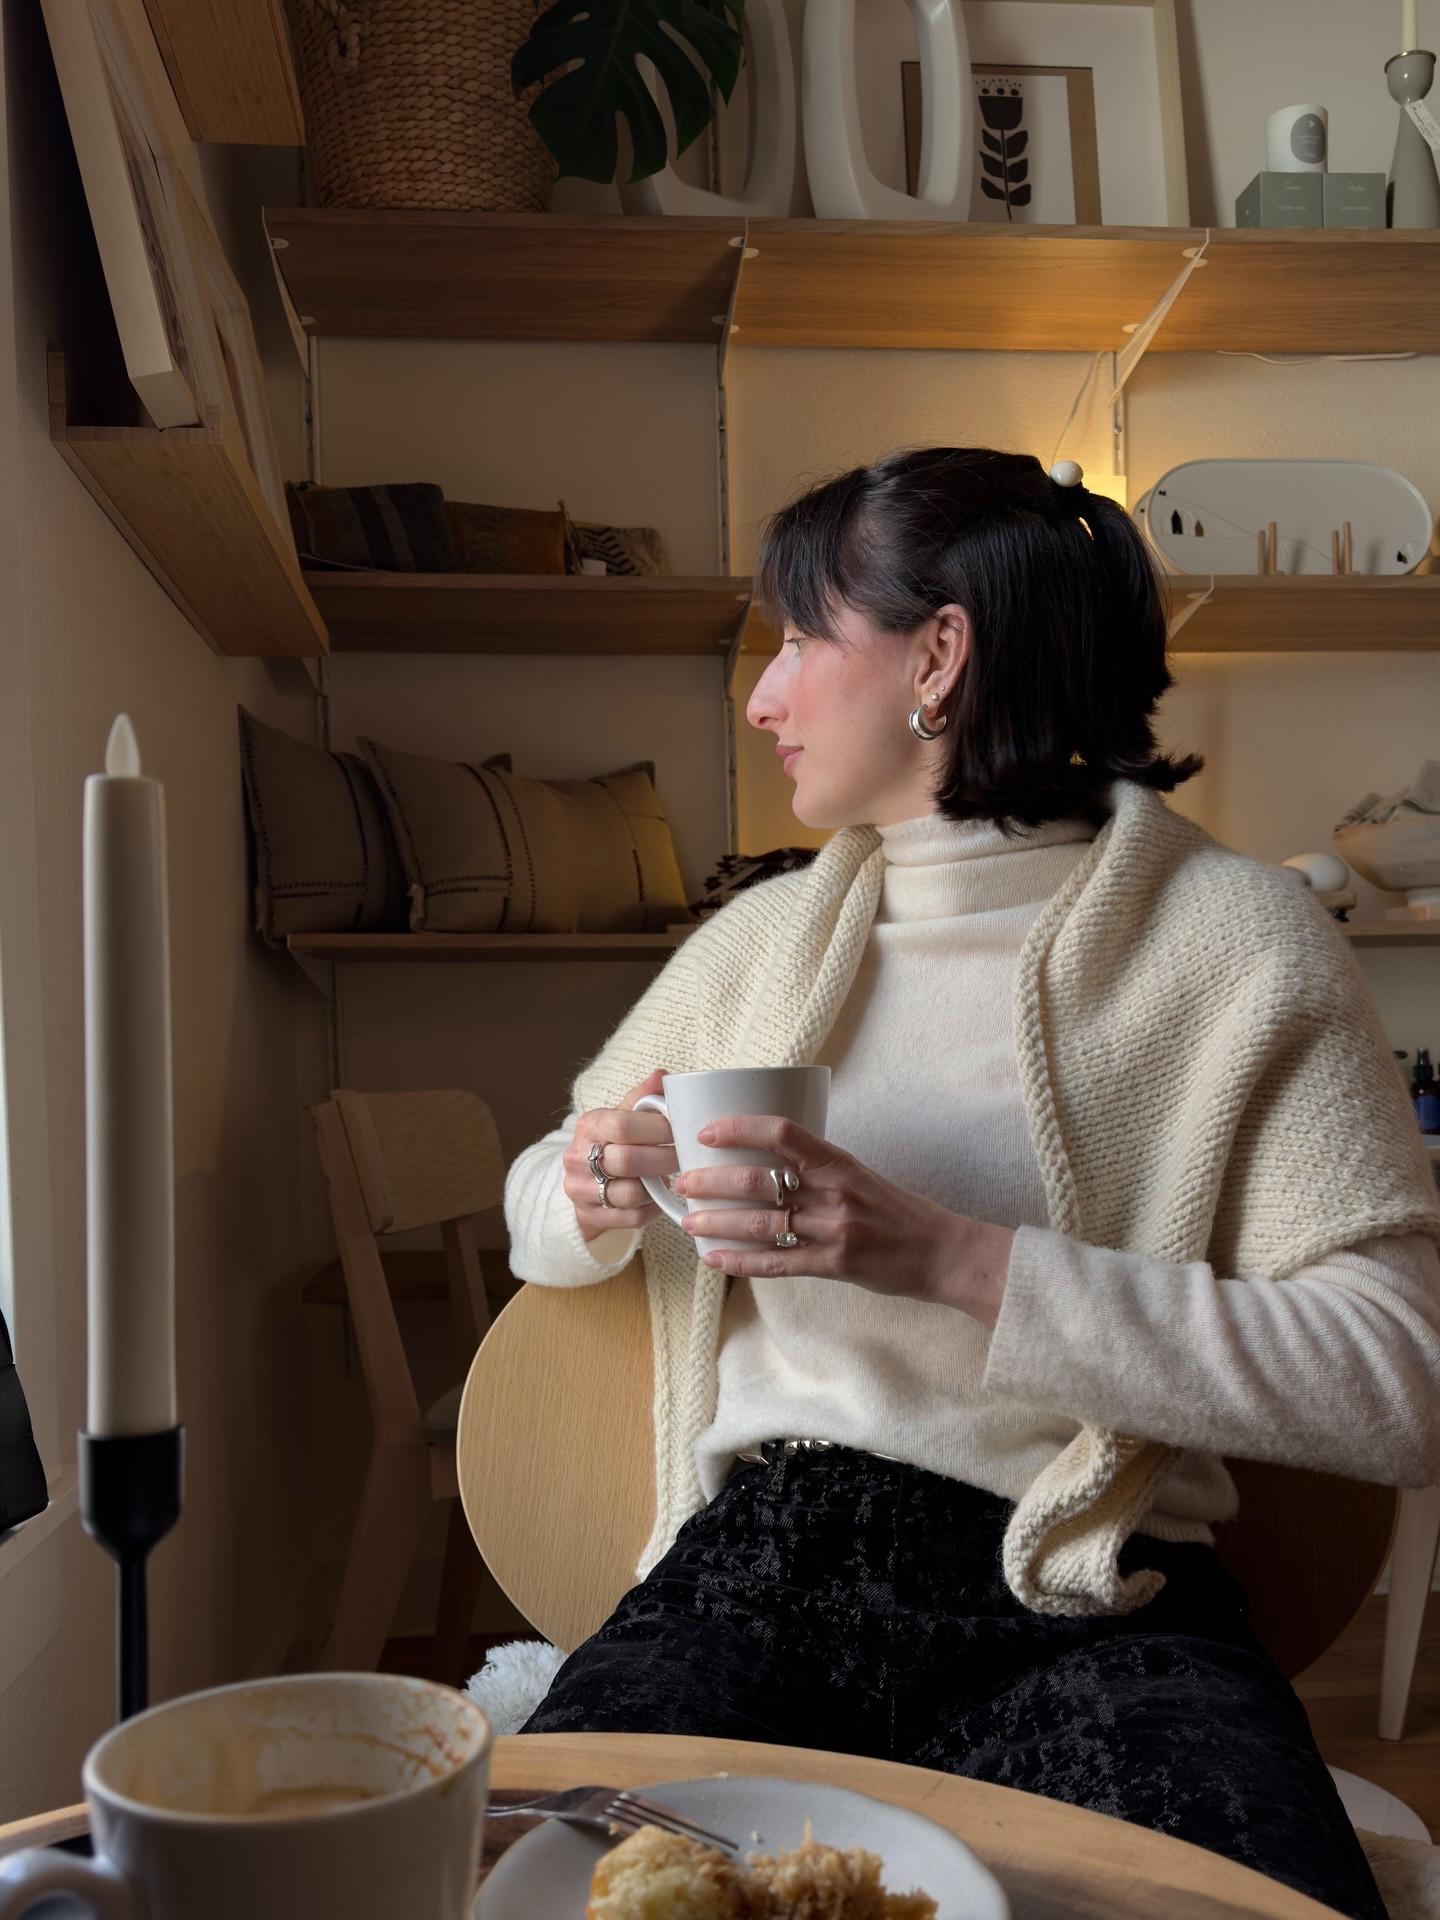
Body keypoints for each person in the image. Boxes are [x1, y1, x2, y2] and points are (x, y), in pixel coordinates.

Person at [504, 447, 1440, 1919]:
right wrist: (593, 1183)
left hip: (1100, 1588)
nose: (763, 698)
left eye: (799, 639)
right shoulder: (751, 949)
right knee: (543, 1888)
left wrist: (950, 1258)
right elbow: (536, 1210)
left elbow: (1398, 1381)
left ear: (938, 656)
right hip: (761, 1565)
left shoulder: (1243, 945)